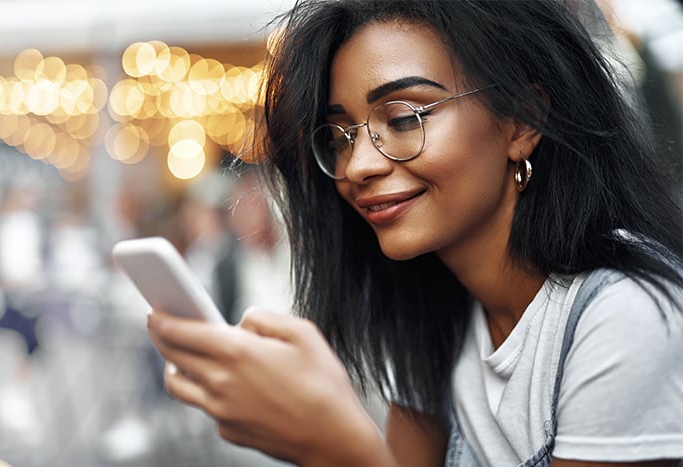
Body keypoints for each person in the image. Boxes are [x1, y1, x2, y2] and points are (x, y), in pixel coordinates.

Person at [146, 1, 683, 466]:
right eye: (340, 135)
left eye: (403, 118)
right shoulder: (431, 311)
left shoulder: (624, 317)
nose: (357, 165)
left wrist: (334, 448)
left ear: (522, 121)